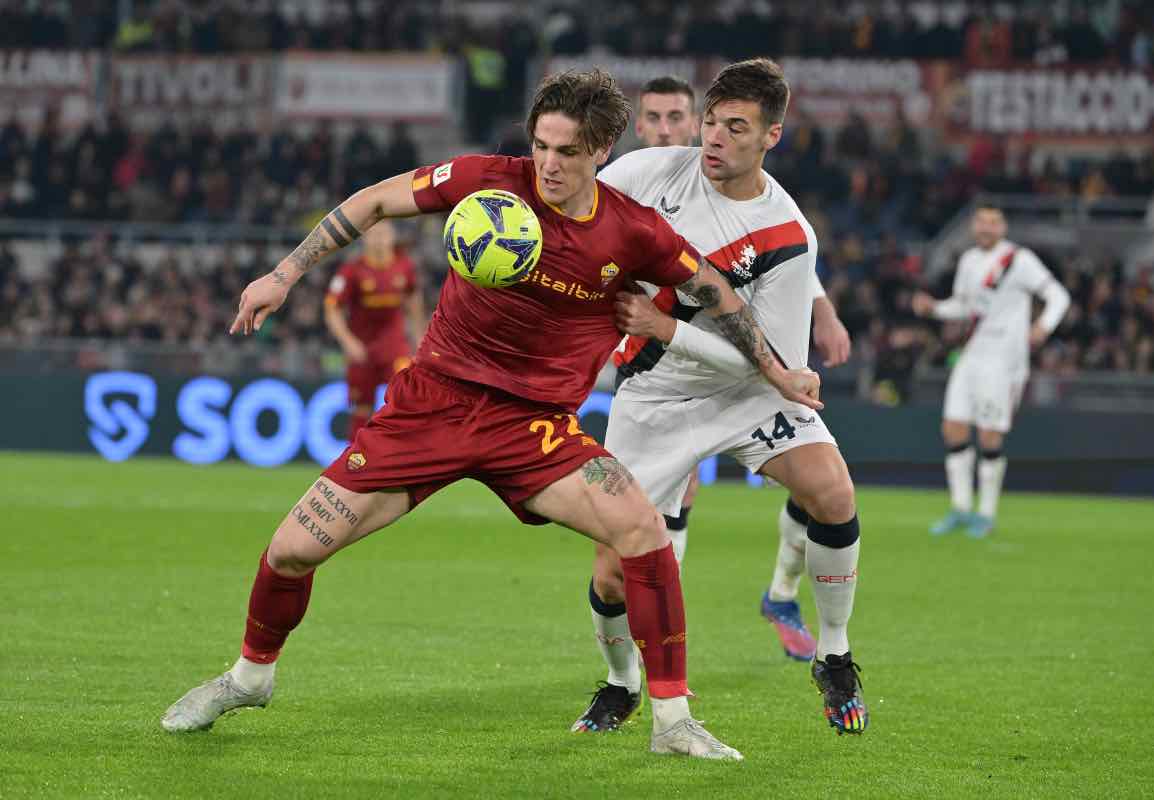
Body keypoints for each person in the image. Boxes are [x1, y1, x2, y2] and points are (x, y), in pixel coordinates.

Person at [160, 68, 824, 761]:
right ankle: (248, 679)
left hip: (533, 427)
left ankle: (672, 720)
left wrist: (777, 370)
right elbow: (379, 200)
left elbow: (715, 291)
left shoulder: (633, 232)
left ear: (601, 152)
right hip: (433, 405)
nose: (549, 164)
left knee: (644, 529)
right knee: (291, 550)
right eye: (541, 145)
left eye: (567, 151)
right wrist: (285, 273)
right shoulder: (487, 181)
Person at [572, 59, 867, 738]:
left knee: (833, 494)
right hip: (655, 394)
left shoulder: (790, 238)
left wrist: (665, 326)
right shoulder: (652, 173)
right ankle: (620, 684)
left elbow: (777, 365)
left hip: (749, 390)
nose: (714, 139)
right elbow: (575, 210)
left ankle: (835, 654)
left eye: (736, 128)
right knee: (611, 569)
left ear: (773, 137)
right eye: (711, 123)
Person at [914, 205, 1069, 538]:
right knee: (953, 428)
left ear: (1003, 226)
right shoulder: (969, 260)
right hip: (972, 353)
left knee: (989, 434)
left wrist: (1044, 325)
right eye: (981, 222)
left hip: (1003, 357)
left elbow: (1058, 296)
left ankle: (985, 513)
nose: (986, 228)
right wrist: (935, 308)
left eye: (993, 222)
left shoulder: (1018, 259)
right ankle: (960, 507)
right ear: (973, 226)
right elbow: (965, 306)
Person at [324, 220, 426, 439]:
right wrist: (348, 342)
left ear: (392, 237)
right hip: (363, 350)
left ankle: (403, 456)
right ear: (365, 239)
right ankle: (354, 462)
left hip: (394, 347)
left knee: (406, 401)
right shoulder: (351, 271)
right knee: (361, 409)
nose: (379, 240)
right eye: (374, 234)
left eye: (384, 234)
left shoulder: (404, 266)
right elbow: (331, 309)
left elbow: (414, 301)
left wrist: (419, 338)